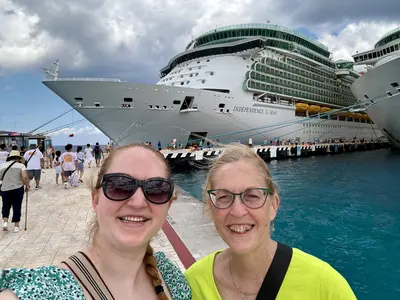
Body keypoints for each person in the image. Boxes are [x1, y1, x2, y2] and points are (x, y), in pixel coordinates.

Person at [0, 144, 191, 299]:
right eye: (120, 185)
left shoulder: (170, 277)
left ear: (168, 204)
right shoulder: (47, 290)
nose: (138, 202)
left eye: (156, 189)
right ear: (95, 199)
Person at [185, 144, 356, 300]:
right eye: (223, 197)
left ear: (273, 205)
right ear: (211, 207)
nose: (237, 211)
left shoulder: (325, 287)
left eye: (252, 196)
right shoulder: (192, 284)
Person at [0, 150, 30, 233]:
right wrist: (27, 185)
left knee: (5, 205)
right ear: (18, 158)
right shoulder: (21, 166)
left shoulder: (2, 166)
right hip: (17, 188)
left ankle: (5, 223)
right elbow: (24, 177)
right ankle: (16, 226)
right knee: (17, 206)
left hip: (5, 189)